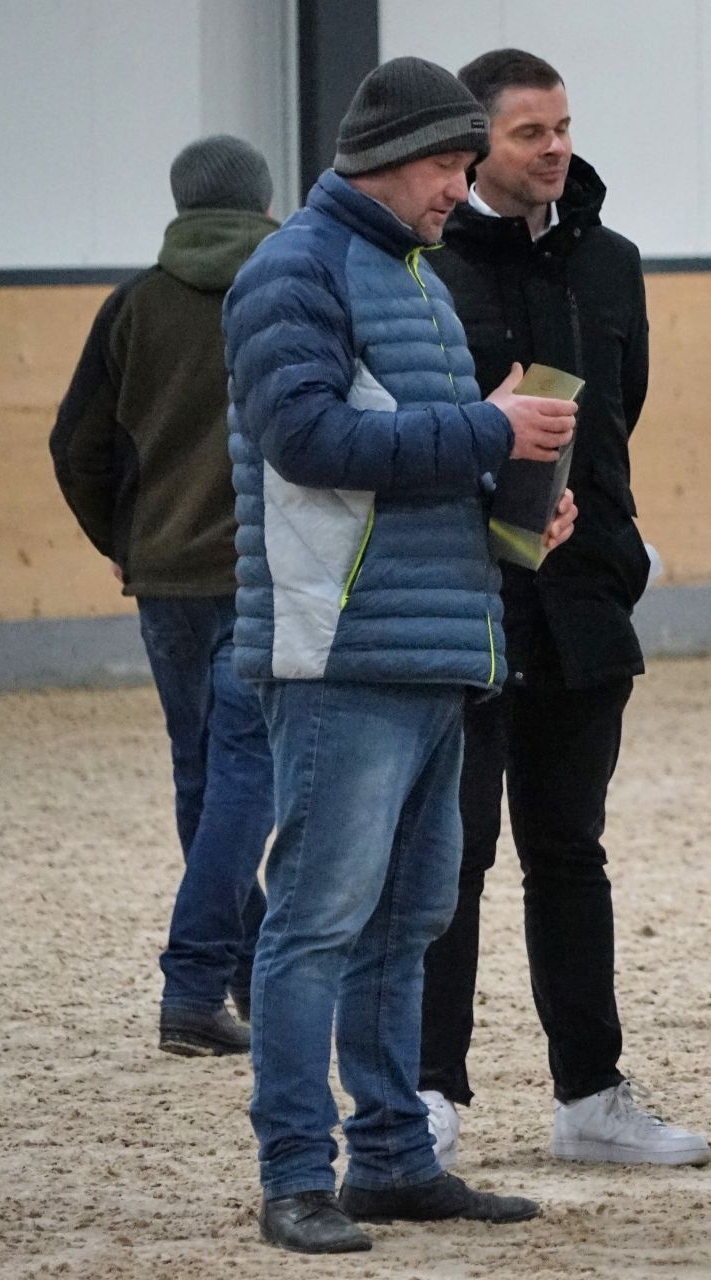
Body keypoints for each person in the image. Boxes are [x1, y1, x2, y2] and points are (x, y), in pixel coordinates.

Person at [224, 56, 580, 1254]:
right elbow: (306, 439)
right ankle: (295, 1173)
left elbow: (405, 456)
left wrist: (511, 502)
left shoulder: (413, 277)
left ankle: (390, 1155)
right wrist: (488, 425)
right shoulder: (296, 269)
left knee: (408, 916)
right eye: (447, 166)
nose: (458, 190)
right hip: (343, 651)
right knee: (317, 919)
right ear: (385, 159)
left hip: (433, 642)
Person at [417, 46, 708, 1169]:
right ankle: (428, 1090)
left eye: (564, 128)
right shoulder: (425, 263)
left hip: (583, 603)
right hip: (468, 600)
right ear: (475, 143)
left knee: (571, 853)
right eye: (530, 132)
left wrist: (611, 548)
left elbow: (622, 412)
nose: (555, 149)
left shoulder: (612, 263)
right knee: (450, 856)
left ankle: (591, 1093)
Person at [49, 135, 278, 1058]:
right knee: (248, 779)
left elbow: (76, 446)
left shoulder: (132, 305)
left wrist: (127, 542)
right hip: (264, 573)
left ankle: (248, 972)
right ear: (262, 201)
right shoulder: (292, 287)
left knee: (204, 778)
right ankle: (193, 985)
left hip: (165, 582)